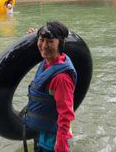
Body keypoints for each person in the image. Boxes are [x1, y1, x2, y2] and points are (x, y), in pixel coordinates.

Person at [23, 21, 76, 152]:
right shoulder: (48, 62)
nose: (44, 46)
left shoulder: (61, 78)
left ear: (61, 44)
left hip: (52, 141)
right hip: (41, 134)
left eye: (50, 42)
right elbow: (43, 47)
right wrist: (34, 35)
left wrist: (62, 145)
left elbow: (66, 114)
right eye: (41, 40)